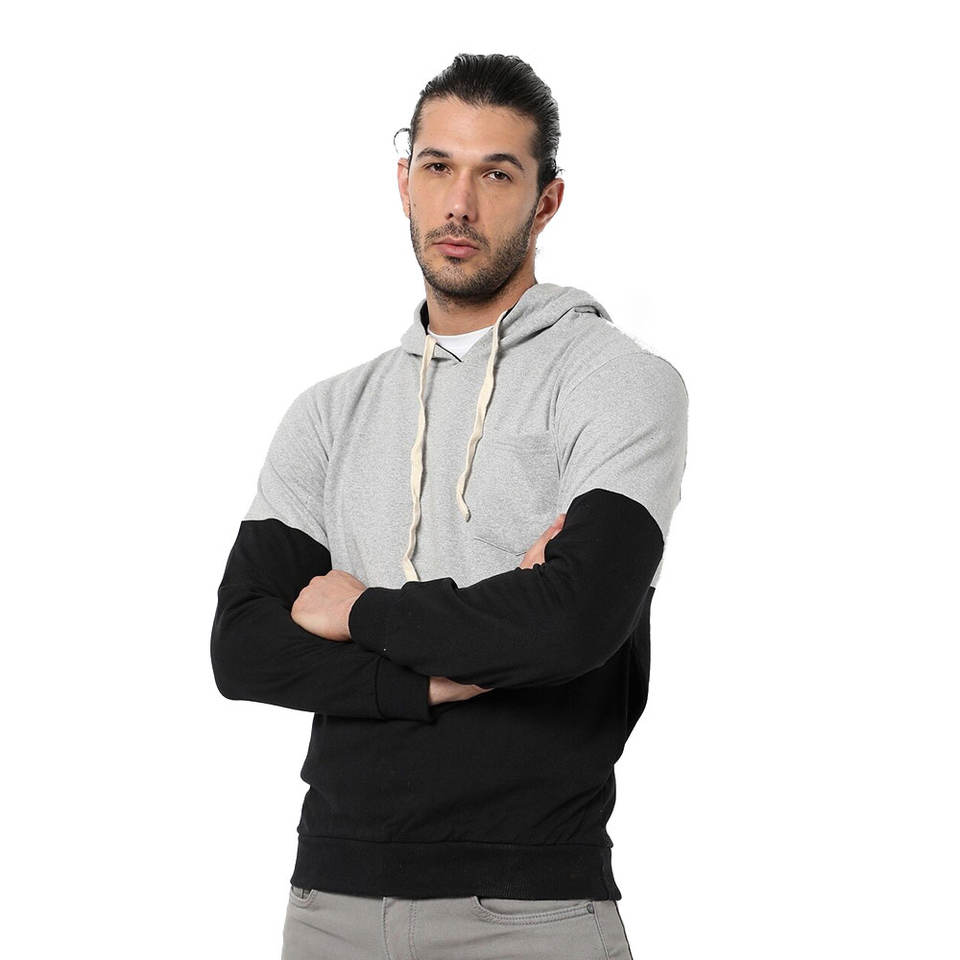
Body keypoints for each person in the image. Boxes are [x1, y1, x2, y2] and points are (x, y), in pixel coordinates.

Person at [211, 52, 688, 960]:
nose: (459, 204)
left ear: (546, 201)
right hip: (329, 905)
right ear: (405, 182)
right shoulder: (330, 413)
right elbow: (243, 646)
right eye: (438, 167)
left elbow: (573, 623)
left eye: (496, 174)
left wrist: (358, 611)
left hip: (528, 909)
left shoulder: (617, 382)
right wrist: (434, 677)